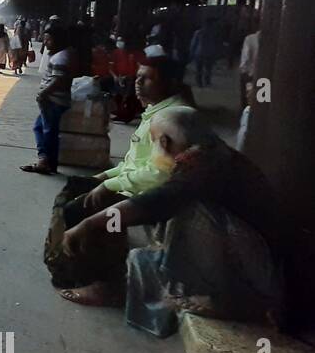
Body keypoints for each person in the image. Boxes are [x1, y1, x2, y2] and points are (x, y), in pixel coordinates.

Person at [62, 107, 284, 336]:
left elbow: (159, 201)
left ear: (165, 142)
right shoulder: (211, 154)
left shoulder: (207, 165)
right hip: (252, 258)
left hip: (260, 272)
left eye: (155, 142)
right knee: (172, 215)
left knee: (192, 212)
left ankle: (223, 297)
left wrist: (90, 224)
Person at [53, 57, 188, 304]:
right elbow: (133, 163)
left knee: (93, 212)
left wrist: (109, 185)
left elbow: (158, 174)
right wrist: (105, 176)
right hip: (143, 187)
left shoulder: (170, 119)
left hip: (159, 196)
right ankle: (84, 270)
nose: (138, 83)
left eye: (147, 78)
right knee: (78, 192)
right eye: (138, 77)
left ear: (171, 83)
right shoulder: (156, 112)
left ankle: (108, 284)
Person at [22, 23, 73, 175]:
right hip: (54, 99)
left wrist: (43, 94)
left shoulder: (60, 58)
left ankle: (46, 162)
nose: (45, 43)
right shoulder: (64, 54)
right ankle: (46, 160)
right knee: (41, 128)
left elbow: (59, 80)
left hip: (53, 100)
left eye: (48, 40)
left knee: (48, 130)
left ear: (58, 40)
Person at [189, 20, 221, 88]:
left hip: (199, 52)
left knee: (199, 69)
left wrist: (191, 52)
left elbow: (193, 43)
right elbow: (216, 43)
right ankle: (207, 81)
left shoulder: (198, 32)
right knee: (208, 68)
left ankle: (199, 82)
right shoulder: (213, 33)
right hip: (209, 53)